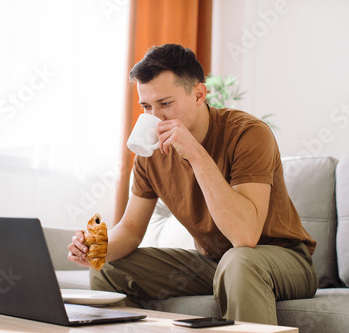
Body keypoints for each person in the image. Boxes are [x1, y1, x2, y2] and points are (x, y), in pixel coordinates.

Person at [67, 43, 318, 325]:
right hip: (213, 262)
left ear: (199, 94)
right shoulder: (150, 154)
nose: (155, 117)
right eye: (146, 106)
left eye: (165, 103)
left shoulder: (248, 133)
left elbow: (244, 237)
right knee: (107, 268)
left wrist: (195, 153)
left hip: (281, 259)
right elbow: (130, 229)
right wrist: (95, 248)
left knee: (239, 261)